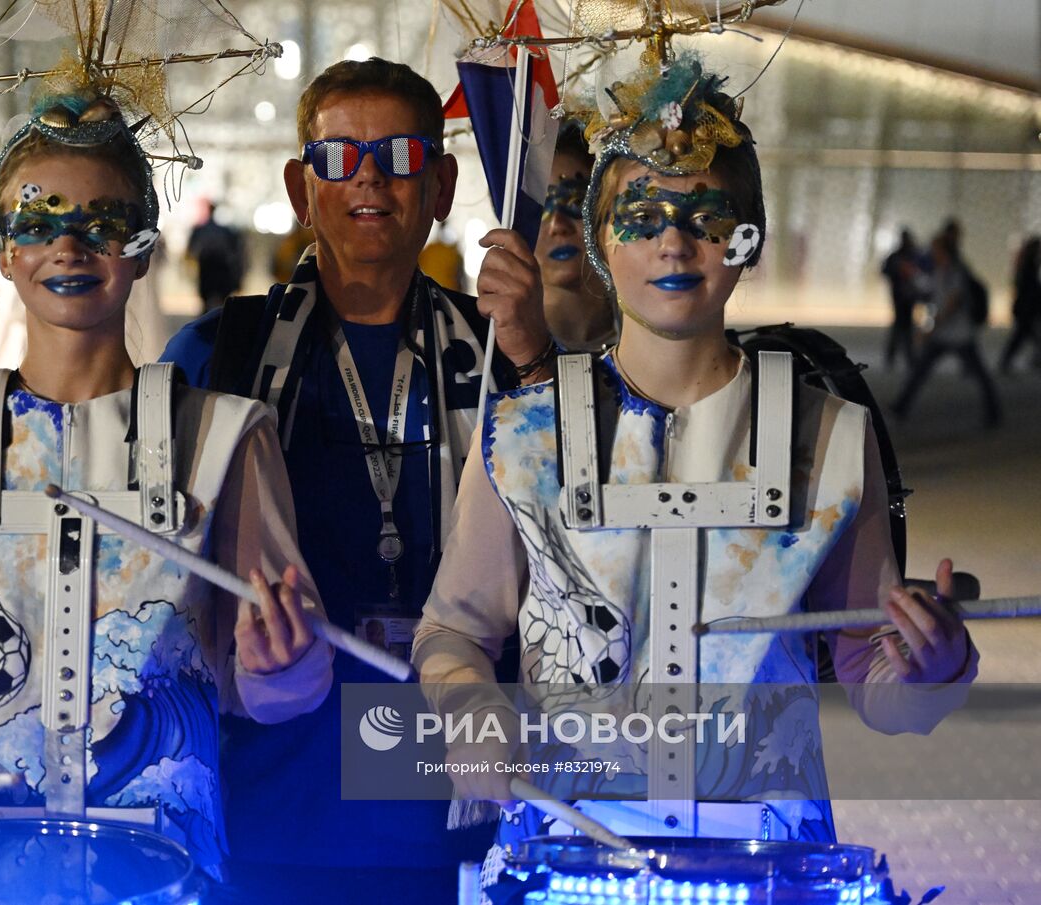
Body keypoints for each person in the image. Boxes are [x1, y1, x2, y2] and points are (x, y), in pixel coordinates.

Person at [412, 52, 978, 890]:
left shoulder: (829, 436)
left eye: (705, 215)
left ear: (746, 236)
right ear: (602, 241)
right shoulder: (523, 433)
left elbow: (872, 676)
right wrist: (469, 708)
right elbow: (453, 630)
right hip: (568, 858)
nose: (673, 241)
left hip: (768, 866)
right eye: (639, 215)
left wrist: (934, 670)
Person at [0, 77, 332, 882]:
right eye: (39, 220)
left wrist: (285, 667)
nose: (70, 245)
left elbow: (264, 686)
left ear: (144, 246)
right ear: (7, 247)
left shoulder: (225, 437)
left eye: (104, 222)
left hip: (162, 869)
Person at [161, 57, 553, 905]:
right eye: (339, 157)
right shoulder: (217, 358)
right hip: (274, 794)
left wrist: (535, 362)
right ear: (304, 191)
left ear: (442, 185)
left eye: (401, 154)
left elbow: (573, 547)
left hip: (450, 805)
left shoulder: (499, 362)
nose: (369, 175)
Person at [891, 235, 1002, 427]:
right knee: (920, 371)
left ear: (944, 251)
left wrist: (930, 327)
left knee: (980, 374)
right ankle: (900, 407)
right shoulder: (940, 271)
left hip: (959, 335)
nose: (932, 253)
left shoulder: (955, 272)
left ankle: (994, 413)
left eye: (935, 249)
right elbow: (930, 294)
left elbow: (951, 304)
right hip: (944, 335)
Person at [535, 117, 616, 349]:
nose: (558, 225)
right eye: (539, 210)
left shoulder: (653, 337)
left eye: (577, 202)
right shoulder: (492, 351)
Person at [187, 200, 245, 311]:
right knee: (218, 296)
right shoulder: (224, 230)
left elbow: (192, 248)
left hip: (209, 264)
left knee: (208, 295)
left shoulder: (201, 229)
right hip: (217, 264)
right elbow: (234, 250)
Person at [880, 228, 923, 367]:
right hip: (903, 296)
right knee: (903, 326)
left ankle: (895, 357)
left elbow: (885, 271)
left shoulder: (898, 256)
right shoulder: (908, 256)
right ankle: (904, 357)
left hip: (903, 296)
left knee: (901, 326)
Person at [998, 235, 1040, 372]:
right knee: (1022, 337)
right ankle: (1005, 362)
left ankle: (1007, 361)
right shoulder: (1029, 266)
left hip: (1025, 308)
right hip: (1026, 309)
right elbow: (1030, 288)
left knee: (1023, 337)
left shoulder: (1024, 265)